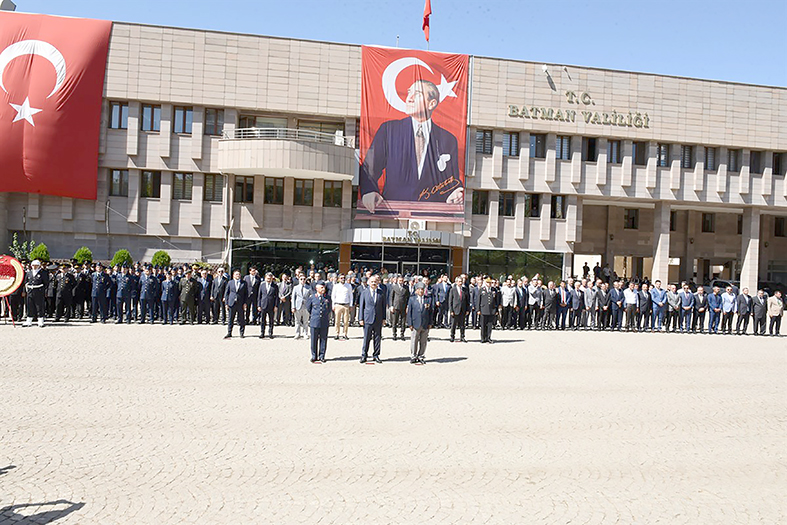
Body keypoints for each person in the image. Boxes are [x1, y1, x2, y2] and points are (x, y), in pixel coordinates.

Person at [359, 80, 463, 212]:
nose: (409, 98)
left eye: (417, 94)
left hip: (432, 214)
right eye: (409, 93)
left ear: (432, 103)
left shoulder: (448, 139)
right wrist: (369, 191)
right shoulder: (389, 130)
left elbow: (450, 180)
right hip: (392, 213)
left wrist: (453, 194)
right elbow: (370, 168)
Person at [358, 275, 387, 363]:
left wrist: (384, 318)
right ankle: (364, 355)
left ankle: (376, 355)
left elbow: (383, 307)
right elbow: (361, 306)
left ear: (378, 282)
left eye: (375, 282)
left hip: (378, 318)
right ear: (368, 283)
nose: (374, 283)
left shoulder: (381, 293)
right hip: (368, 318)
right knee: (367, 338)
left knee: (377, 338)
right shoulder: (364, 292)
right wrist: (360, 318)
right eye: (372, 282)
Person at [306, 281, 332, 363]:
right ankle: (314, 356)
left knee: (323, 339)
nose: (323, 289)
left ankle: (322, 356)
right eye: (321, 287)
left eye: (324, 287)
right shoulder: (312, 297)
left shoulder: (328, 297)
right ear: (317, 289)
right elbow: (309, 308)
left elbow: (329, 309)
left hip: (324, 321)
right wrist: (314, 316)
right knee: (314, 340)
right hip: (315, 321)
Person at [407, 282, 432, 364]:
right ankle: (413, 356)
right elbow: (409, 312)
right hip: (415, 323)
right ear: (416, 290)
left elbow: (431, 312)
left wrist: (430, 323)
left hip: (425, 323)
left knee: (423, 341)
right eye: (419, 289)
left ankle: (421, 355)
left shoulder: (427, 299)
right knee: (414, 340)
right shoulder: (412, 299)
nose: (421, 291)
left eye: (422, 289)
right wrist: (410, 323)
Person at [23, 260, 48, 327]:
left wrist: (43, 291)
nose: (34, 267)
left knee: (39, 306)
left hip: (39, 291)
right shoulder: (29, 273)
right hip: (30, 291)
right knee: (29, 306)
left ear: (39, 266)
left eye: (36, 265)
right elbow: (26, 282)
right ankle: (29, 321)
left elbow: (46, 283)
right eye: (33, 265)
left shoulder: (43, 273)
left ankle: (40, 321)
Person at [224, 270, 248, 339]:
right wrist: (226, 303)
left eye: (239, 274)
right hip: (232, 303)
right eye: (236, 274)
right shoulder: (230, 282)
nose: (238, 275)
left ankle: (242, 333)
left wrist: (245, 303)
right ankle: (229, 332)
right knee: (231, 319)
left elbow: (246, 294)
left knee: (241, 319)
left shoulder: (244, 283)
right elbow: (226, 293)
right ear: (233, 275)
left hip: (240, 303)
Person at [257, 272, 279, 339]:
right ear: (265, 278)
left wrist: (276, 306)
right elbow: (259, 296)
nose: (269, 279)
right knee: (263, 320)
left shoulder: (275, 286)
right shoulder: (262, 285)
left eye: (270, 278)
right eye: (267, 278)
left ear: (272, 278)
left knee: (271, 320)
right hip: (263, 305)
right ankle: (262, 333)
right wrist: (259, 305)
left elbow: (277, 297)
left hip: (271, 305)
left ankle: (270, 333)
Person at [448, 275, 469, 342]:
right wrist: (451, 310)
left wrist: (468, 309)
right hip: (455, 309)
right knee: (453, 324)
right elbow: (450, 301)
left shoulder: (465, 289)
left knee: (462, 325)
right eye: (459, 281)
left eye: (461, 281)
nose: (461, 283)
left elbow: (467, 300)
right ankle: (452, 336)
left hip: (463, 309)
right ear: (456, 282)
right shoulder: (452, 290)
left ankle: (462, 336)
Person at [388, 275, 410, 340]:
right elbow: (391, 297)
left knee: (403, 322)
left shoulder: (406, 287)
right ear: (397, 280)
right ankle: (394, 334)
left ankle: (402, 334)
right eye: (400, 280)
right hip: (396, 306)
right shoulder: (394, 287)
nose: (401, 282)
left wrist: (408, 306)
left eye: (402, 280)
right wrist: (391, 306)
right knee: (394, 321)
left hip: (403, 306)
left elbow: (408, 297)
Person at [478, 278, 497, 343]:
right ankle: (483, 338)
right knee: (483, 325)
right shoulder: (481, 290)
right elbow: (478, 300)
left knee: (490, 325)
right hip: (483, 309)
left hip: (491, 310)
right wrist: (478, 309)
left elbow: (496, 300)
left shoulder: (493, 290)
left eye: (490, 283)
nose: (489, 284)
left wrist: (496, 309)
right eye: (488, 283)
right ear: (485, 283)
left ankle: (488, 337)